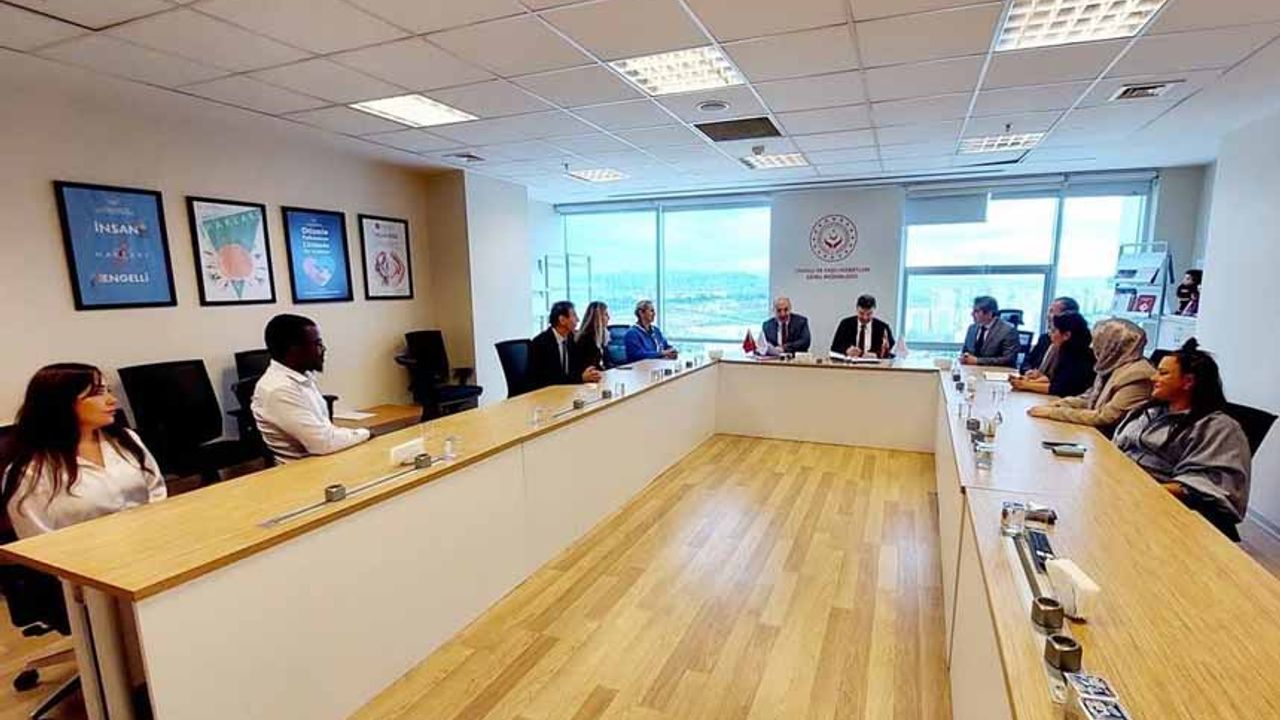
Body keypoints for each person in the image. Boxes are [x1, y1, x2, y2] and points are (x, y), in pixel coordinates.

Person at [3, 364, 166, 538]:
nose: (112, 400)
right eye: (98, 393)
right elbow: (36, 538)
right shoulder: (31, 471)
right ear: (62, 402)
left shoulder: (126, 440)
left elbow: (157, 492)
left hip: (150, 539)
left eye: (108, 391)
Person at [1113, 339, 1251, 539]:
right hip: (1125, 488)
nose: (1153, 377)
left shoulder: (1219, 429)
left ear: (1188, 382)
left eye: (1163, 373)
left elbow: (1206, 484)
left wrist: (1142, 491)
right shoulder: (1150, 411)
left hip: (1160, 509)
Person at [252, 314, 370, 463]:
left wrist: (356, 434)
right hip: (303, 470)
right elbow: (322, 443)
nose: (323, 349)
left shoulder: (300, 377)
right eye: (317, 344)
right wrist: (364, 433)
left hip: (324, 459)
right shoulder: (279, 389)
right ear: (294, 349)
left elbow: (325, 431)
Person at [1027, 318, 1154, 433]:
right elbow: (1089, 398)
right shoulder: (1113, 365)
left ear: (1113, 345)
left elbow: (1105, 417)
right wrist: (1057, 404)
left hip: (1111, 443)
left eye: (1098, 341)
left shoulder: (1137, 375)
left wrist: (1053, 413)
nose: (1092, 346)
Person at [1010, 312, 1096, 398]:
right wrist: (1028, 381)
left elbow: (1060, 389)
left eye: (1053, 331)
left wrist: (1025, 385)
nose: (1049, 334)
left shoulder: (1080, 357)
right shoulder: (1066, 352)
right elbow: (1054, 380)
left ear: (1066, 335)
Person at [530, 301, 604, 389]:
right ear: (562, 320)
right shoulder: (542, 343)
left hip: (566, 390)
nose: (578, 320)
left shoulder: (571, 339)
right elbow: (551, 378)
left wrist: (588, 373)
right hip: (545, 392)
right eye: (574, 316)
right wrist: (581, 378)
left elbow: (576, 368)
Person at [1020, 296, 1080, 375]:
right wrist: (1028, 371)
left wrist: (1041, 378)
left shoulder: (1074, 346)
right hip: (1032, 380)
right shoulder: (1044, 338)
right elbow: (1027, 362)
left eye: (1052, 311)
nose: (1047, 316)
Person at [960, 296, 1020, 367]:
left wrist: (978, 361)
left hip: (996, 371)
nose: (972, 314)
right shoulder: (972, 328)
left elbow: (1008, 359)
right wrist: (964, 357)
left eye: (976, 311)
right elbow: (965, 351)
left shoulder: (1008, 331)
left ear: (989, 314)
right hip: (971, 371)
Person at [830, 294, 895, 359]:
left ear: (874, 310)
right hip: (850, 364)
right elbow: (834, 348)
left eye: (869, 314)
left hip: (873, 364)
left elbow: (888, 352)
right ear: (856, 309)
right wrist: (846, 350)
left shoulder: (883, 328)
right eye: (861, 313)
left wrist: (876, 355)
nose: (865, 317)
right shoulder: (845, 324)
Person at [574, 301, 613, 373]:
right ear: (598, 317)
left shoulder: (602, 335)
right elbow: (591, 366)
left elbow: (607, 362)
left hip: (602, 374)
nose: (609, 318)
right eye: (605, 314)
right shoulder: (586, 339)